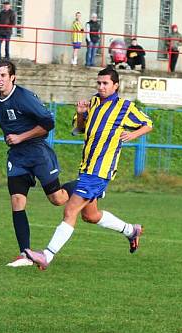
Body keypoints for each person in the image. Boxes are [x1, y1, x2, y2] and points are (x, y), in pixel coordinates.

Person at [24, 66, 153, 270]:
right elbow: (79, 129)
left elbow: (148, 123)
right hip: (87, 168)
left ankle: (46, 255)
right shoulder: (92, 102)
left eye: (105, 83)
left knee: (70, 210)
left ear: (116, 86)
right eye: (99, 83)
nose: (101, 87)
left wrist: (133, 134)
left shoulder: (124, 107)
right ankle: (131, 230)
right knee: (90, 216)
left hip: (100, 171)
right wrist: (81, 114)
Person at [0, 60, 74, 268]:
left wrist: (21, 137)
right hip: (17, 157)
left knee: (57, 199)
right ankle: (25, 253)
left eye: (3, 76)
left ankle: (84, 187)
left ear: (12, 77)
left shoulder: (24, 97)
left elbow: (48, 124)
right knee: (17, 201)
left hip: (37, 152)